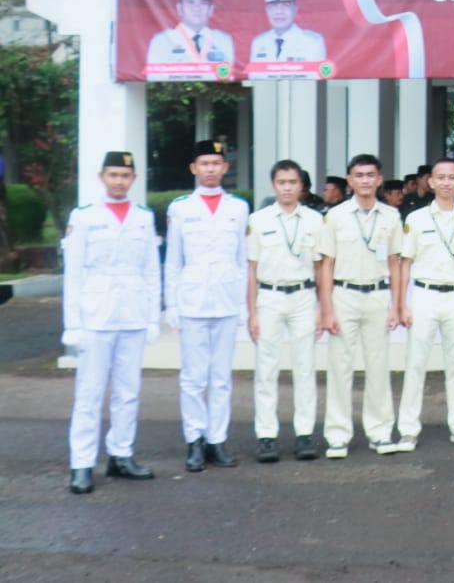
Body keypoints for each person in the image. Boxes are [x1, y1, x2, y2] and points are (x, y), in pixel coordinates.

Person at [62, 152, 161, 494]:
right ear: (101, 177)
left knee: (128, 391)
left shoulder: (143, 217)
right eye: (113, 174)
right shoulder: (84, 217)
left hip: (132, 313)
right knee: (89, 393)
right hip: (96, 316)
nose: (119, 181)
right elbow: (73, 274)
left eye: (125, 175)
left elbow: (151, 270)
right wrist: (72, 324)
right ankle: (82, 463)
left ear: (134, 179)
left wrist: (152, 316)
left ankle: (121, 453)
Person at [164, 138, 251, 472]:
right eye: (204, 164)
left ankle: (217, 440)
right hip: (192, 301)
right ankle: (195, 440)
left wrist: (244, 304)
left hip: (226, 300)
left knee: (221, 377)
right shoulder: (181, 208)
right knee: (193, 377)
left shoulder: (238, 208)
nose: (210, 169)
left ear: (225, 167)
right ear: (194, 168)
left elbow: (242, 260)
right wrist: (171, 305)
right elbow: (173, 261)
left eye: (216, 164)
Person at [316, 153, 402, 458]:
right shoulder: (335, 216)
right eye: (359, 175)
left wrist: (396, 305)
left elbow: (394, 263)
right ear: (350, 181)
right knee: (340, 367)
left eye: (370, 175)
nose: (365, 181)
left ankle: (380, 432)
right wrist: (326, 310)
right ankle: (338, 435)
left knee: (378, 367)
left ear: (379, 180)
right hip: (344, 296)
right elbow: (326, 265)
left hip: (377, 296)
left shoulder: (391, 216)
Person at [393, 158, 454, 450]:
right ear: (430, 182)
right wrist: (402, 305)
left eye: (451, 177)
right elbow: (405, 264)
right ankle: (408, 430)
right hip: (424, 296)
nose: (446, 182)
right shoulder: (416, 219)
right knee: (415, 365)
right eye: (440, 177)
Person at [245, 159, 323, 464]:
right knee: (266, 369)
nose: (287, 188)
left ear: (301, 186)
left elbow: (320, 267)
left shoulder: (315, 220)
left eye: (293, 183)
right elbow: (251, 270)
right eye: (282, 182)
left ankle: (305, 433)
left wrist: (322, 308)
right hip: (270, 297)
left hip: (303, 296)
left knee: (305, 367)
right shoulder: (258, 220)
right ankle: (266, 435)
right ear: (274, 185)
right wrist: (252, 313)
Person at [145, 0, 235, 76]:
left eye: (203, 3)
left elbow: (228, 77)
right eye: (191, 2)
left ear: (211, 9)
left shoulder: (224, 41)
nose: (197, 8)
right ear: (179, 9)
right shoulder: (161, 42)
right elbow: (154, 77)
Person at [247, 0, 327, 67]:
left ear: (295, 9)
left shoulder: (312, 42)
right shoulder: (258, 43)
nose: (279, 11)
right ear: (267, 10)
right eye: (273, 5)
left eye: (286, 4)